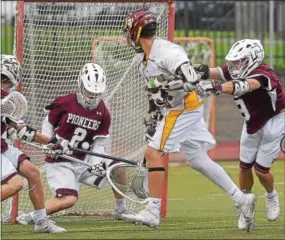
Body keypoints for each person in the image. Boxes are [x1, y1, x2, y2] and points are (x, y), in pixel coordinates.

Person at [120, 9, 256, 230]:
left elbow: (190, 77)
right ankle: (242, 199)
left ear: (135, 32)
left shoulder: (166, 51)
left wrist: (175, 83)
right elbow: (154, 92)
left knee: (152, 153)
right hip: (178, 108)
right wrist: (154, 115)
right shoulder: (141, 59)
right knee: (197, 159)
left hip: (184, 108)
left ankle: (152, 211)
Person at [16, 63, 130, 224]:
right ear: (81, 84)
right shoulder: (65, 102)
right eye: (89, 91)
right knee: (69, 200)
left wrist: (97, 163)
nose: (92, 96)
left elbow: (99, 142)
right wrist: (47, 144)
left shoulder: (103, 112)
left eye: (96, 93)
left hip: (84, 160)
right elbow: (48, 123)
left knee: (119, 168)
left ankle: (121, 209)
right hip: (61, 161)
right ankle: (33, 216)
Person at [193, 39, 284, 230]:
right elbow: (211, 71)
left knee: (261, 170)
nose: (234, 66)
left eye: (238, 61)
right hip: (252, 123)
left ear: (252, 59)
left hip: (275, 122)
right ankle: (245, 205)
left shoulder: (264, 75)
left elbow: (245, 85)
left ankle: (271, 195)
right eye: (233, 62)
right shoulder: (236, 69)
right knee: (244, 167)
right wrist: (187, 68)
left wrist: (215, 87)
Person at [1, 54, 67, 233]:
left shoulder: (4, 96)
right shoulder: (3, 98)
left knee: (32, 172)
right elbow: (22, 130)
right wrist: (53, 141)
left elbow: (9, 128)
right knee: (15, 184)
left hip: (2, 145)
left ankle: (41, 221)